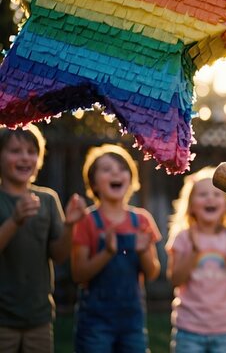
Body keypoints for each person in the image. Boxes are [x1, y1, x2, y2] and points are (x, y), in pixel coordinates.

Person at [0, 125, 85, 353]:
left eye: (31, 151)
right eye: (15, 151)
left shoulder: (47, 199)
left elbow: (59, 255)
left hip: (39, 317)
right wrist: (14, 220)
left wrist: (69, 225)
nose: (25, 157)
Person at [71, 144, 161, 353]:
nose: (115, 172)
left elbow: (153, 272)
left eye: (121, 168)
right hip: (95, 322)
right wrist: (107, 253)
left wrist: (142, 252)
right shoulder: (87, 221)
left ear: (131, 178)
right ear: (94, 183)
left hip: (132, 321)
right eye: (106, 169)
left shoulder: (141, 220)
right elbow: (78, 274)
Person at [166, 167, 226, 353]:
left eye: (216, 194)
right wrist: (193, 252)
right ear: (191, 204)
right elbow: (175, 279)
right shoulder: (183, 237)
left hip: (225, 329)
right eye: (203, 194)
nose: (210, 198)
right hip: (189, 328)